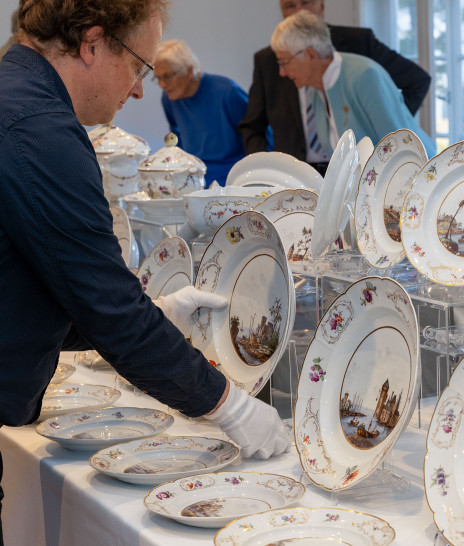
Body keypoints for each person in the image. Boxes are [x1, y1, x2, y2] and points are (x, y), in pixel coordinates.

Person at [0, 0, 288, 539]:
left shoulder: (17, 96)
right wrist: (228, 407)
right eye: (138, 67)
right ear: (91, 43)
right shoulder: (41, 130)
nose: (138, 91)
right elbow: (113, 315)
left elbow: (45, 281)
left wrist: (154, 310)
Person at [239, 0, 432, 172]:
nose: (282, 72)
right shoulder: (317, 89)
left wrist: (393, 109)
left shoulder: (365, 75)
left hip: (415, 177)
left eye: (284, 62)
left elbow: (400, 149)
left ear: (311, 56)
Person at [154, 39, 248, 187]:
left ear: (189, 71)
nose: (162, 84)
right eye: (158, 78)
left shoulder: (228, 93)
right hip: (194, 178)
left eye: (167, 76)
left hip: (233, 178)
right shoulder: (169, 99)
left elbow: (259, 137)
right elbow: (176, 140)